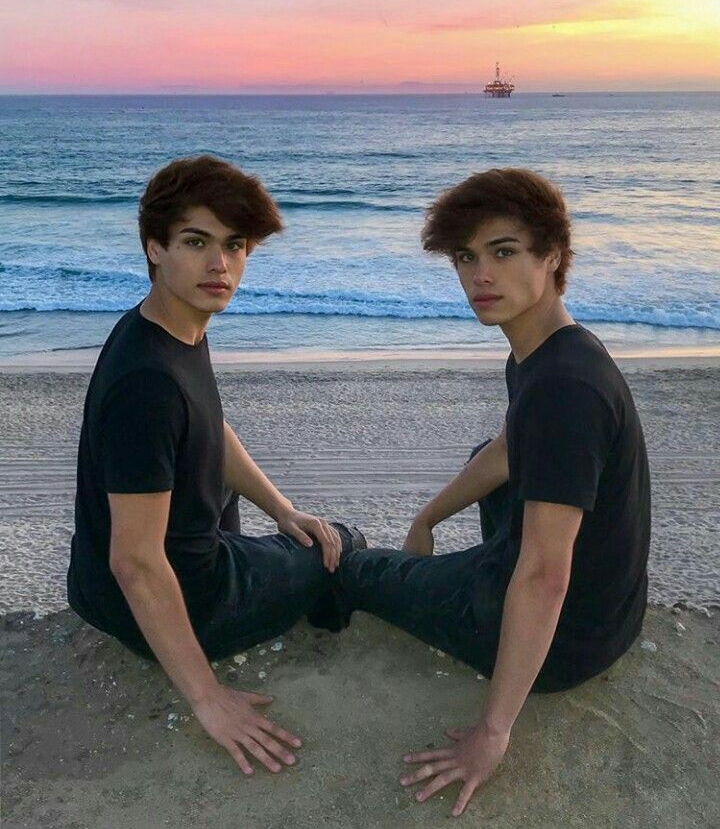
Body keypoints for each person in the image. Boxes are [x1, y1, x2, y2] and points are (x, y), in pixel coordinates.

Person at [338, 168, 651, 817]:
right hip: (611, 615)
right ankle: (473, 569)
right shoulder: (550, 351)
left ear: (552, 256)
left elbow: (543, 576)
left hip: (564, 644)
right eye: (465, 257)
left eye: (503, 252)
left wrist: (493, 732)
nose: (480, 275)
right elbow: (509, 451)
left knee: (362, 571)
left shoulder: (564, 391)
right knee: (489, 450)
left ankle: (369, 562)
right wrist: (428, 516)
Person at [67, 155, 365, 778]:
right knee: (346, 544)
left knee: (293, 529)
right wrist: (208, 698)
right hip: (178, 599)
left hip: (100, 583)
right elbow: (137, 562)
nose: (219, 265)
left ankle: (274, 557)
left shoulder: (164, 327)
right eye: (196, 243)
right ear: (155, 247)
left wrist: (283, 511)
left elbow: (208, 430)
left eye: (234, 246)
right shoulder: (147, 383)